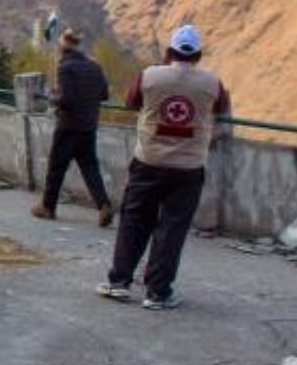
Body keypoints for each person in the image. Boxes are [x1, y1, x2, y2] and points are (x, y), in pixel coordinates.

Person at [97, 25, 230, 310]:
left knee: (134, 221)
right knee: (172, 229)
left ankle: (119, 282)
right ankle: (158, 293)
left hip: (148, 162)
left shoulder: (149, 76)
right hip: (189, 169)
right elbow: (223, 117)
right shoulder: (212, 83)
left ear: (169, 51)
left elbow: (131, 103)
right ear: (198, 54)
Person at [31, 28, 114, 227]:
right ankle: (104, 205)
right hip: (88, 126)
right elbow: (104, 95)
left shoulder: (65, 67)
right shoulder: (95, 66)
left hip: (68, 126)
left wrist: (52, 97)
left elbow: (66, 100)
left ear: (64, 46)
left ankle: (48, 207)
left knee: (56, 167)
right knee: (90, 168)